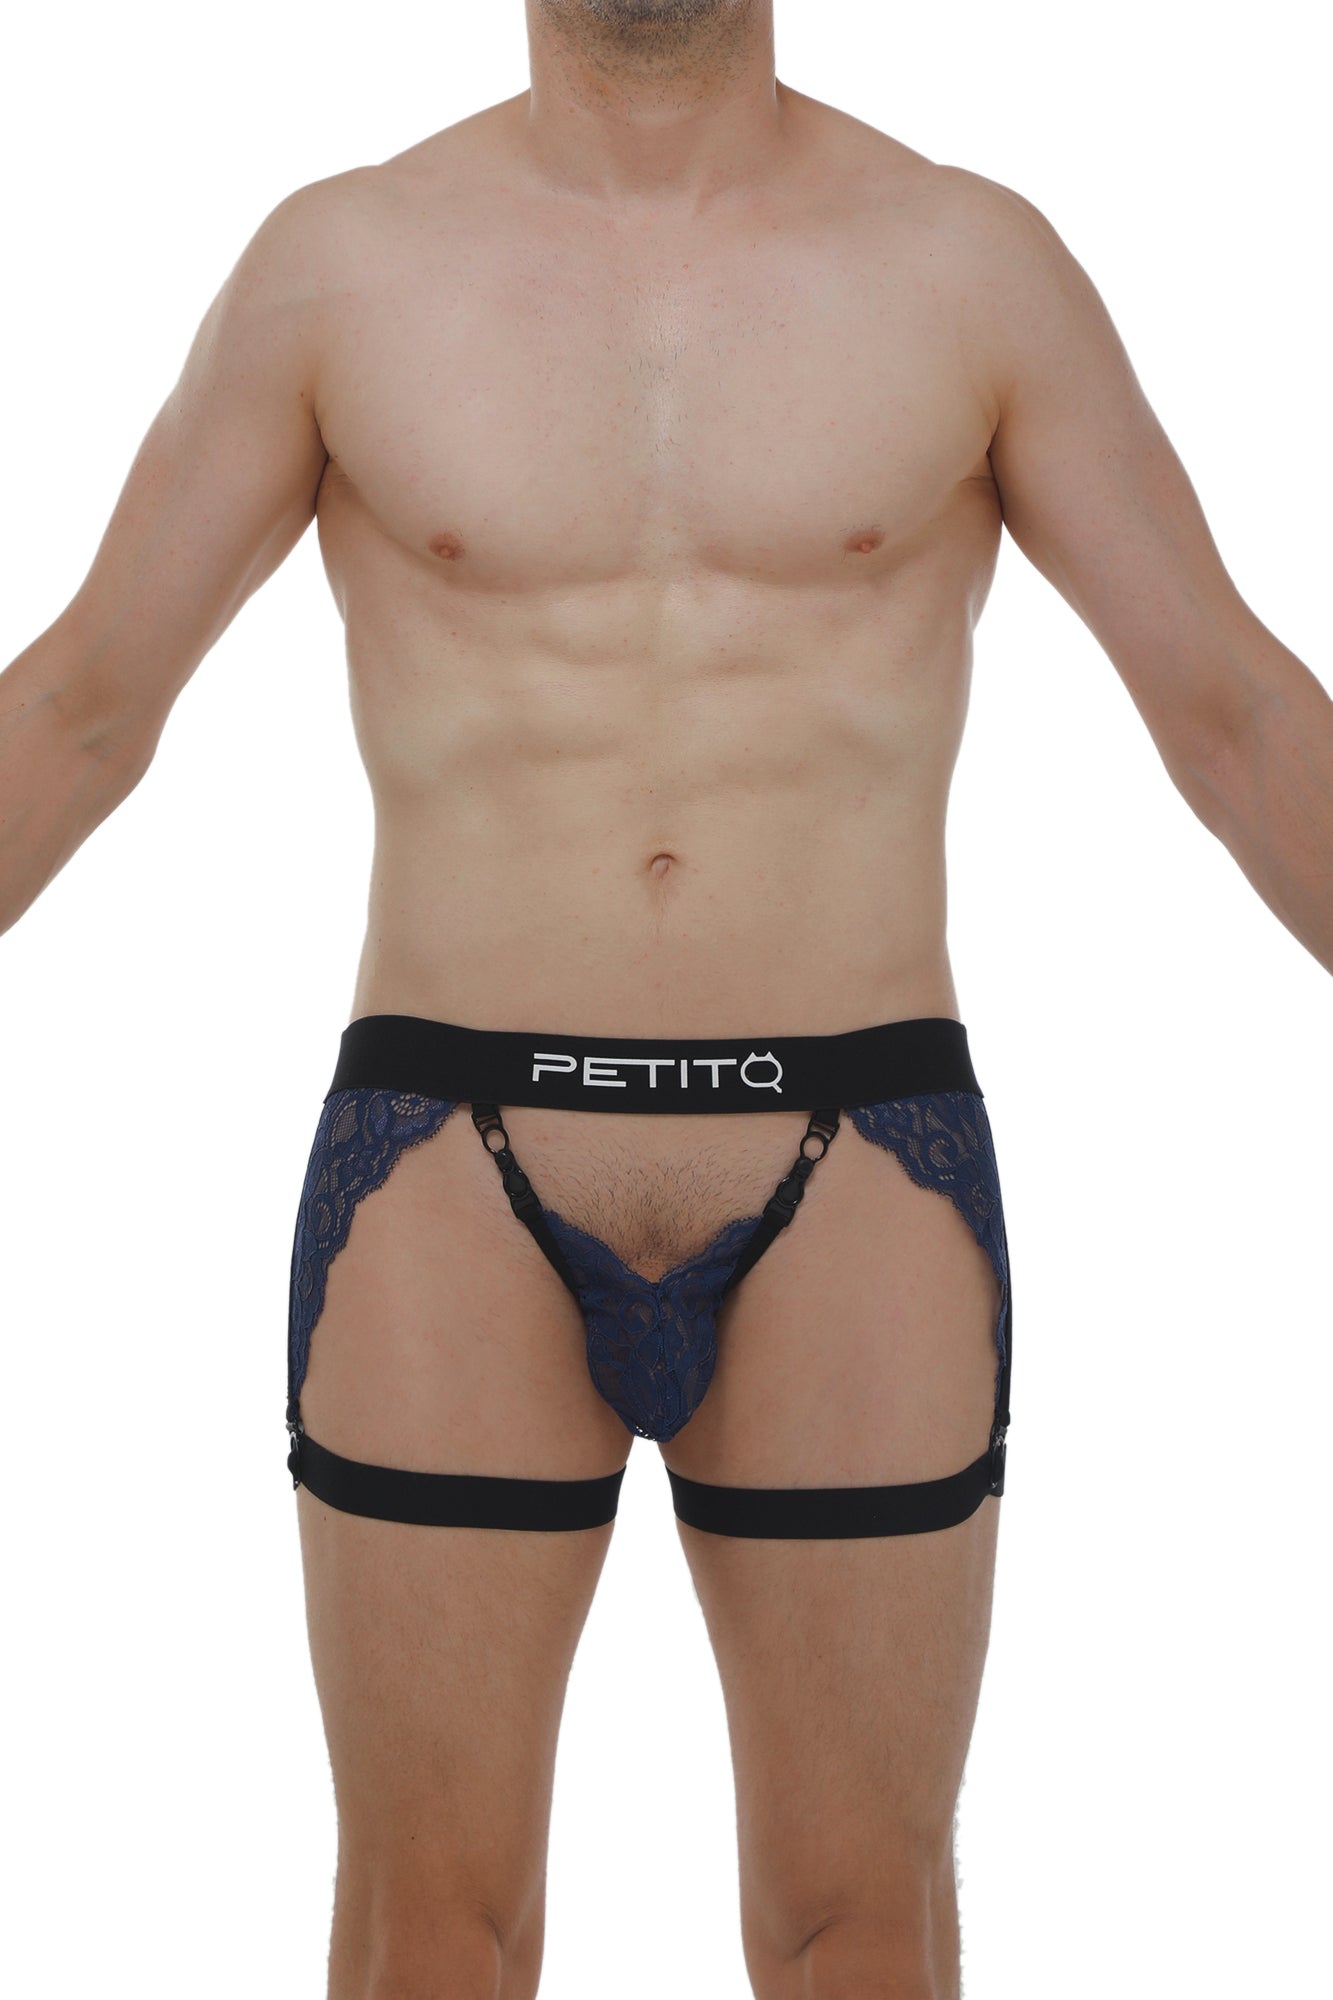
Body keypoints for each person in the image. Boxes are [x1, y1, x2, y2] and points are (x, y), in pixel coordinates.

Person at [2, 2, 1329, 1994]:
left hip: (855, 1148)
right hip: (449, 1152)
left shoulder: (966, 261)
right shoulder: (340, 263)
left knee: (860, 1928)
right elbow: (83, 708)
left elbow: (1234, 715)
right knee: (427, 1933)